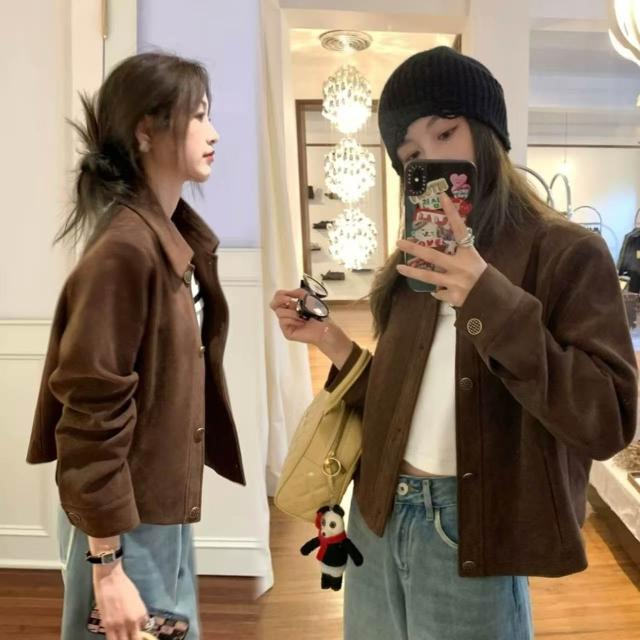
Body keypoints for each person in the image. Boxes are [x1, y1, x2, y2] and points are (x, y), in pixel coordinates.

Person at [270, 46, 637, 640]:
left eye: (445, 133)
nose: (433, 160)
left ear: (488, 133)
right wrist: (331, 340)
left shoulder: (567, 252)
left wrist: (488, 298)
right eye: (413, 155)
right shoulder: (414, 264)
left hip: (469, 532)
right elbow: (397, 409)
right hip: (377, 518)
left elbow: (607, 420)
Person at [26, 51, 246, 640]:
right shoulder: (126, 251)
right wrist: (107, 565)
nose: (213, 133)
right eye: (198, 116)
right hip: (124, 525)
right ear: (146, 132)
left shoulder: (166, 238)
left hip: (155, 511)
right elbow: (90, 411)